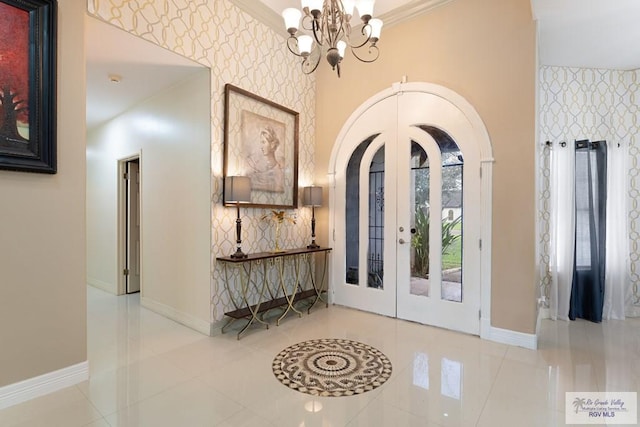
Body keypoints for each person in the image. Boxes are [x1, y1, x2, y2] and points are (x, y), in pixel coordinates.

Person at [246, 126, 285, 192]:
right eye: (261, 143)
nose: (261, 147)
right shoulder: (255, 167)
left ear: (272, 145)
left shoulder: (279, 172)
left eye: (264, 142)